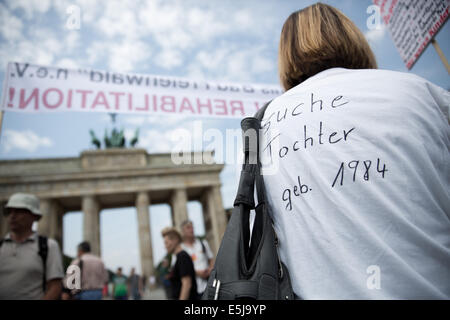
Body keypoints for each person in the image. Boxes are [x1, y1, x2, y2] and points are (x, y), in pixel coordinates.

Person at [259, 3, 450, 299]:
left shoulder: (262, 125)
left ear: (285, 56)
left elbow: (260, 241)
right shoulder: (422, 92)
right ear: (352, 35)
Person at [0, 193, 64, 300]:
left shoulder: (47, 246)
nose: (12, 215)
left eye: (19, 211)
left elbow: (55, 286)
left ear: (34, 216)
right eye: (9, 211)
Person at [180, 220, 214, 299]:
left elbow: (211, 259)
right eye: (188, 228)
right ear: (182, 232)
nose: (191, 229)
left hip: (207, 285)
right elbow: (178, 270)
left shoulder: (203, 243)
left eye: (192, 227)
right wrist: (195, 272)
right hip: (192, 290)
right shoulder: (181, 249)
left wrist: (210, 269)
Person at [162, 227, 197, 300]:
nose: (165, 246)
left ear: (175, 240)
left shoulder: (182, 257)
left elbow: (186, 285)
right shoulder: (178, 257)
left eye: (166, 243)